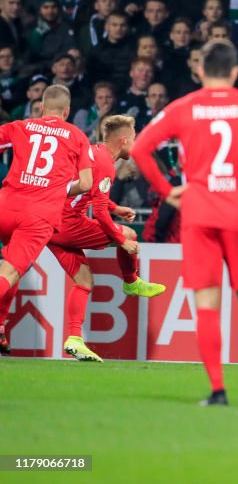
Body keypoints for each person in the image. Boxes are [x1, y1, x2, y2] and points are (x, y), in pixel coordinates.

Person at [131, 41, 238, 407]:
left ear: (200, 71)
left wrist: (168, 190)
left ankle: (217, 391)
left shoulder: (183, 108)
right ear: (235, 72)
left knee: (207, 302)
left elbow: (139, 148)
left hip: (198, 213)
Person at [44, 115, 165, 362]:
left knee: (84, 280)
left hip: (49, 224)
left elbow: (89, 193)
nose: (136, 145)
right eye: (134, 139)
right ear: (123, 140)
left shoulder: (92, 152)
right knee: (129, 234)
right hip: (68, 223)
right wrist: (122, 241)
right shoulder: (107, 163)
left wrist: (115, 207)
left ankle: (75, 339)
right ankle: (131, 281)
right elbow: (98, 213)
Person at [0, 85, 93, 353]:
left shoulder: (22, 126)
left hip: (7, 205)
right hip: (38, 215)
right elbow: (86, 183)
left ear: (41, 108)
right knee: (10, 270)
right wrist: (59, 187)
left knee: (14, 267)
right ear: (67, 111)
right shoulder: (77, 136)